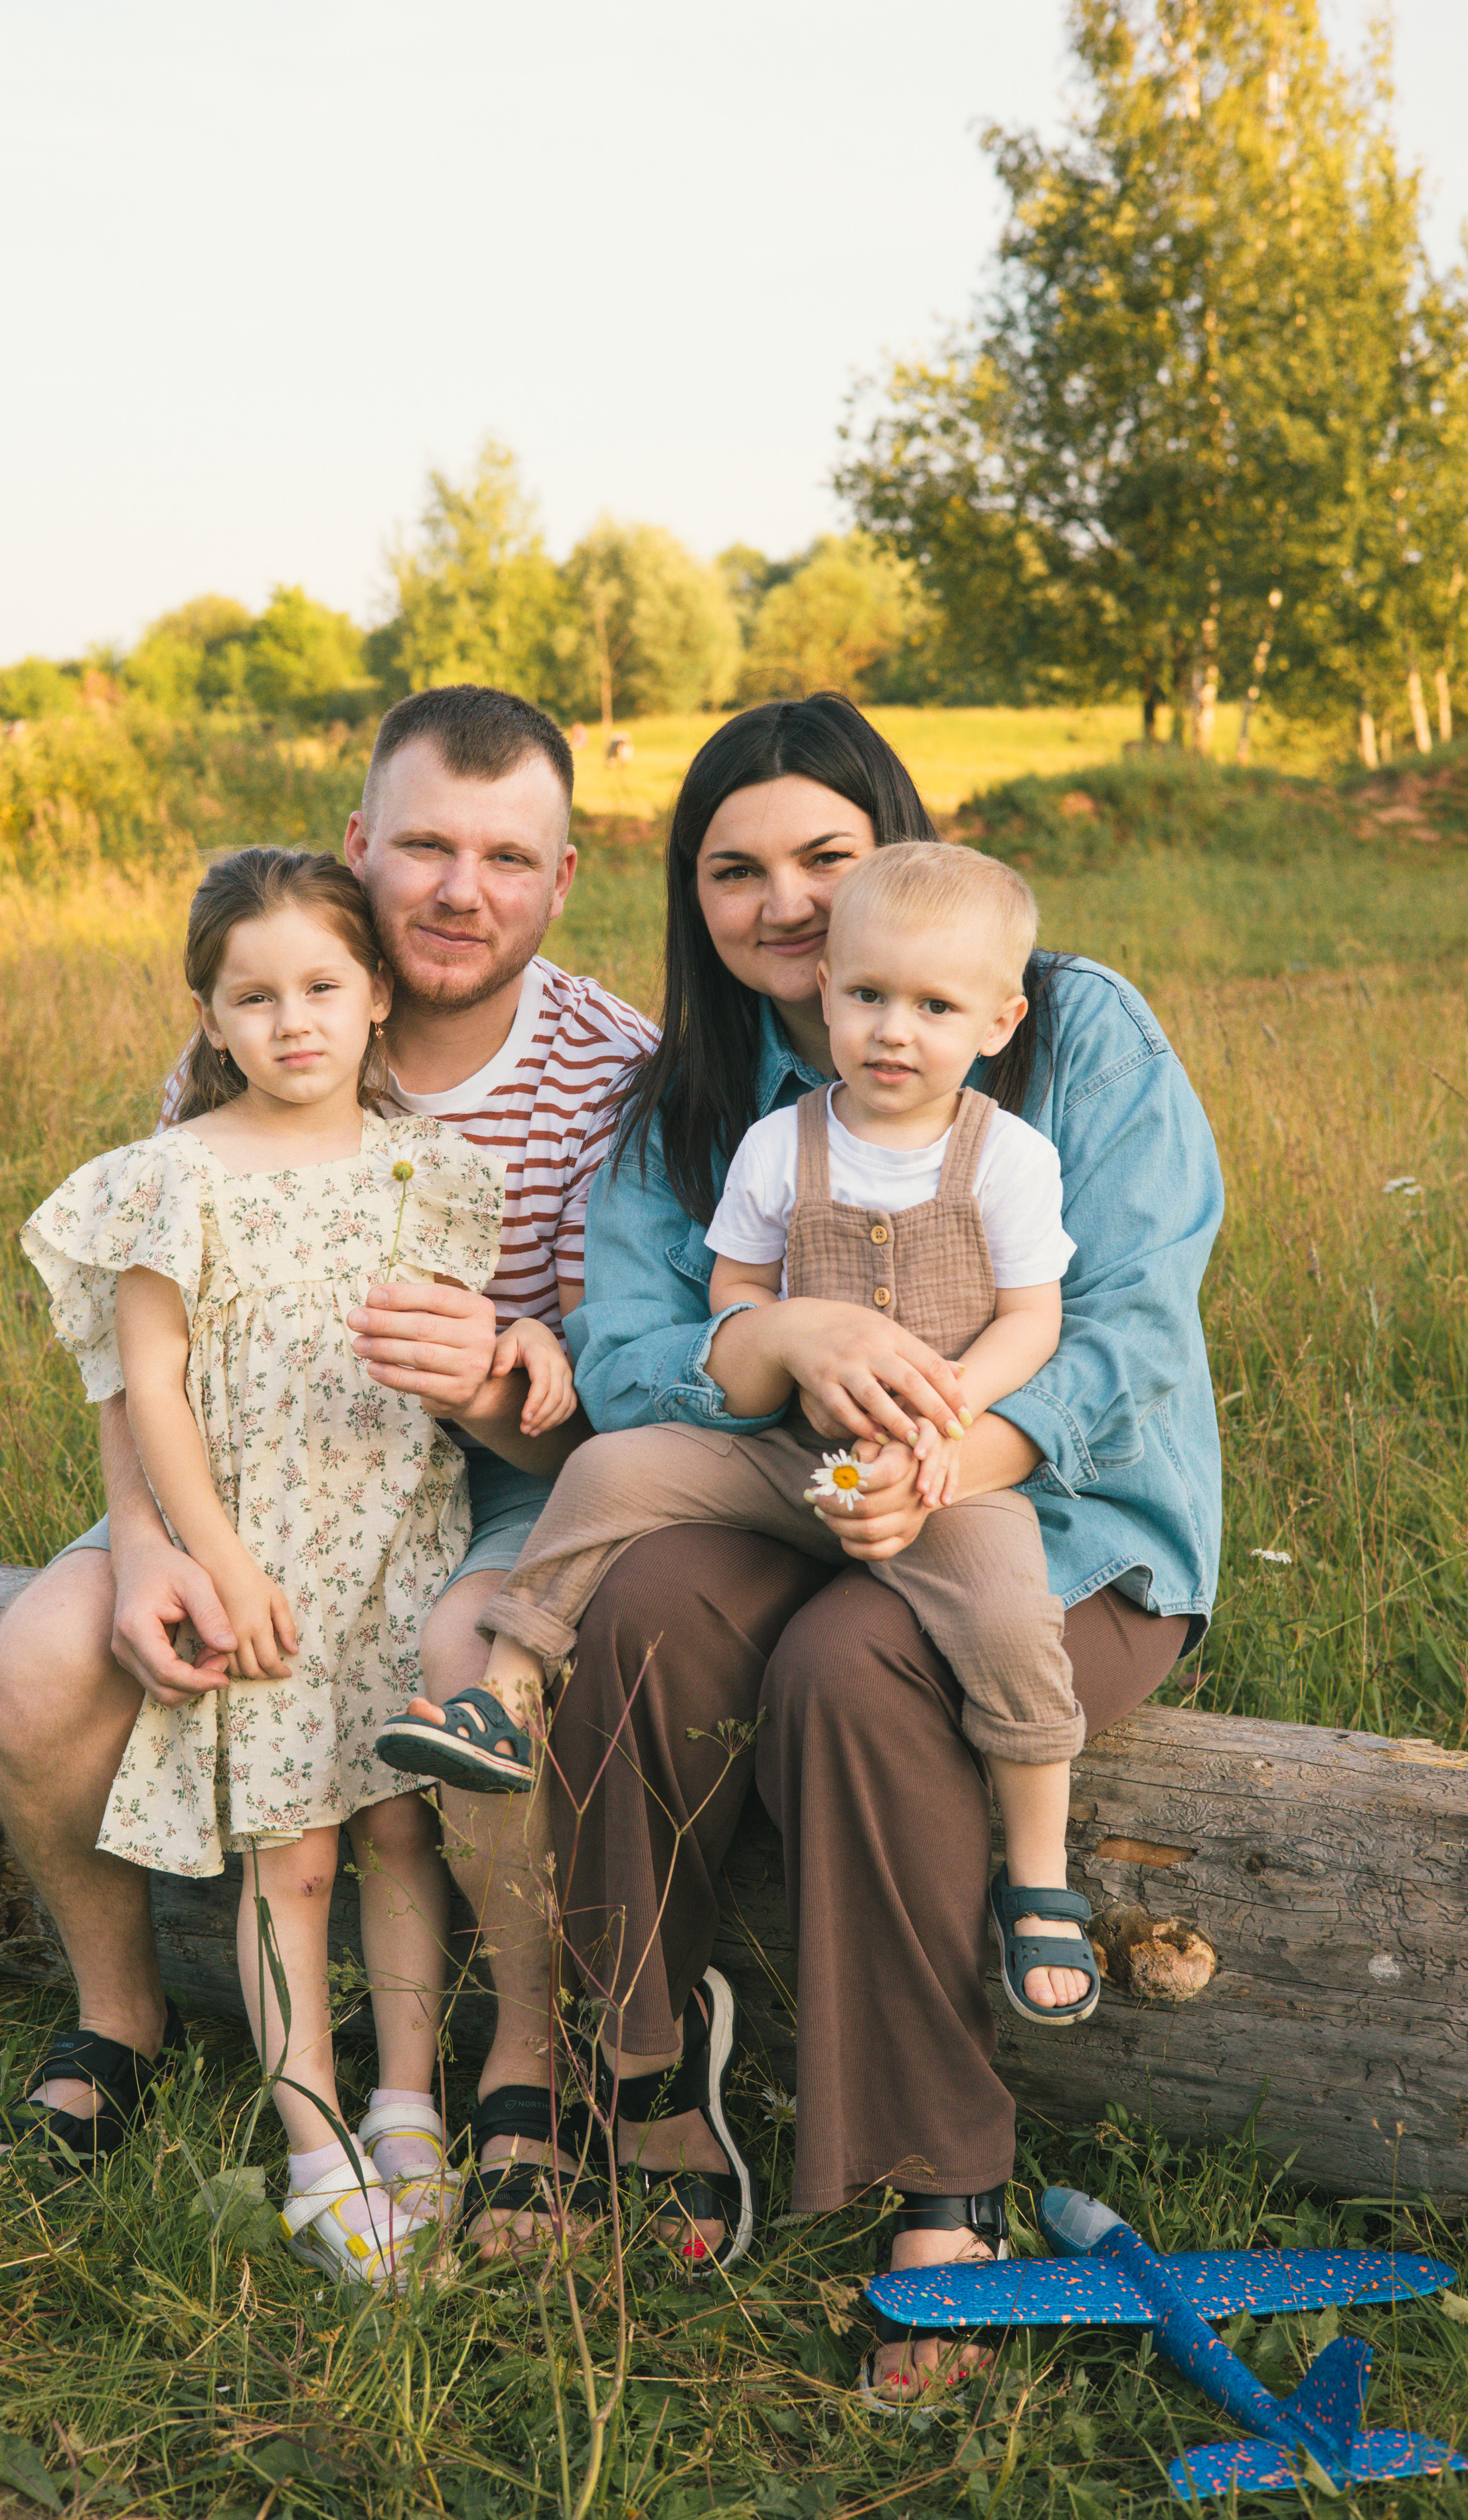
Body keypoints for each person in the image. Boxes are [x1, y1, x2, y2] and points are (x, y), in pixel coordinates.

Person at [509, 696, 1221, 2388]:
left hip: (1052, 1522)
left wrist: (946, 1456)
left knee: (851, 1661)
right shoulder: (700, 1095)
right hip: (782, 1496)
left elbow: (1126, 1318)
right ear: (691, 898)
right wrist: (771, 1345)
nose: (785, 904)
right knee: (653, 1601)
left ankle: (943, 2184)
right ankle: (642, 2069)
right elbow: (622, 1357)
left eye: (825, 857)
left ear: (892, 848)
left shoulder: (1069, 1033)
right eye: (732, 871)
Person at [0, 688, 653, 2250]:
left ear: (560, 878)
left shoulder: (617, 1073)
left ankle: (499, 2080)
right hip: (240, 1469)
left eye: (503, 855)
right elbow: (142, 1355)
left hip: (497, 1476)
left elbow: (617, 1385)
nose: (457, 889)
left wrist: (510, 1373)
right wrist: (149, 1541)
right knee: (35, 1669)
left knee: (426, 1719)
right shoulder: (249, 1039)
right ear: (361, 848)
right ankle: (122, 2017)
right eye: (422, 844)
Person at [378, 840, 1100, 2029]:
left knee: (1013, 1611)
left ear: (1000, 1020)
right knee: (611, 1469)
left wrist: (953, 1422)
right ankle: (504, 1688)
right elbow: (733, 1293)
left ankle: (1037, 1870)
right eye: (867, 996)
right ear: (826, 992)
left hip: (940, 1470)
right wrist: (783, 1353)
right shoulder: (784, 1144)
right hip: (784, 1453)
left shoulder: (1006, 1159)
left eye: (934, 1007)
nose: (893, 1031)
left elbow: (1035, 1320)